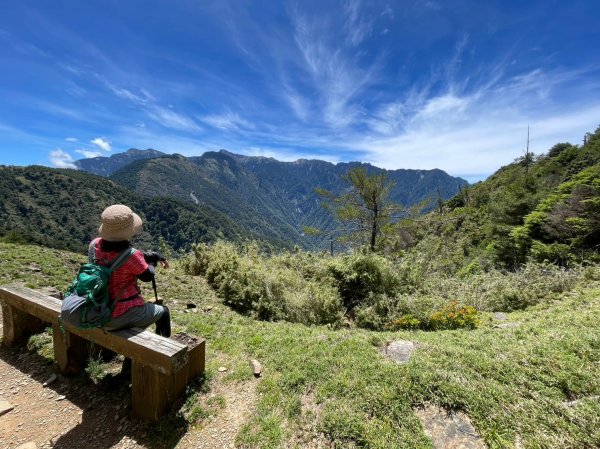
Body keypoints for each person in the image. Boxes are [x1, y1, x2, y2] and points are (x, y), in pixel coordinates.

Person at [92, 204, 171, 339]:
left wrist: (155, 256)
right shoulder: (131, 255)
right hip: (118, 315)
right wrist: (152, 263)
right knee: (164, 312)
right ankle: (164, 349)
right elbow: (148, 276)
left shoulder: (95, 245)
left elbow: (123, 257)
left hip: (97, 309)